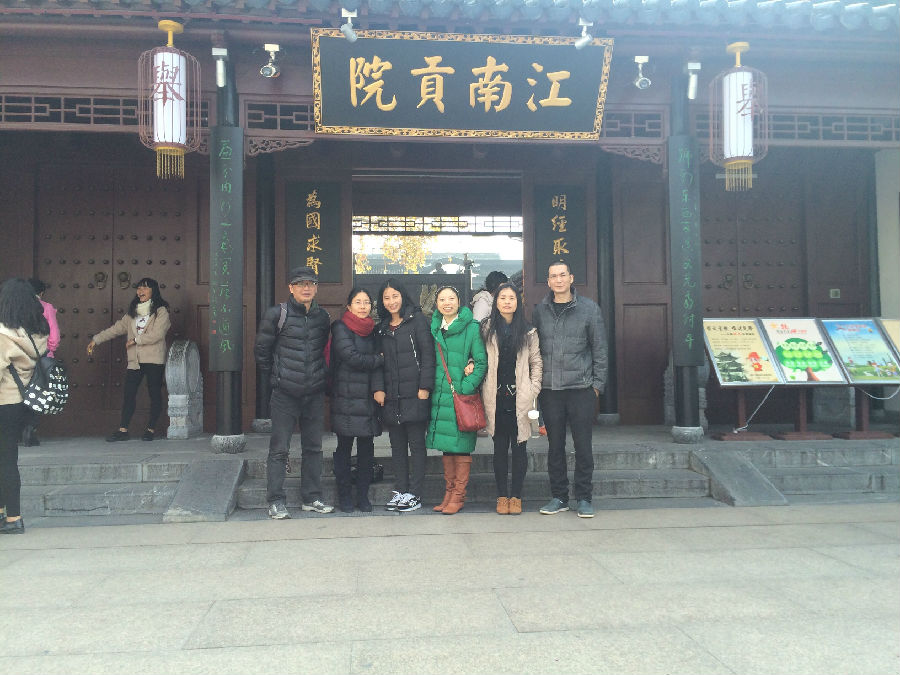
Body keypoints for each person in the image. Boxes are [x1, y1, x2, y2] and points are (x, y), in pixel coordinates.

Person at [254, 266, 334, 519]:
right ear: (291, 288)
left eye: (310, 283)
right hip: (285, 393)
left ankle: (312, 497)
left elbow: (323, 350)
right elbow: (262, 351)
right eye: (300, 284)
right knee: (279, 449)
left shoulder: (322, 317)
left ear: (316, 288)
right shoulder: (277, 314)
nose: (306, 288)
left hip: (314, 392)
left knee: (314, 448)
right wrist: (276, 378)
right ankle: (276, 501)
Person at [533, 260, 607, 519]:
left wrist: (596, 386)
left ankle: (584, 497)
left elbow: (600, 349)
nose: (558, 280)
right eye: (553, 276)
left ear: (571, 278)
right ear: (548, 281)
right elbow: (534, 350)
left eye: (562, 275)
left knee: (583, 446)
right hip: (550, 389)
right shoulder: (540, 310)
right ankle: (559, 497)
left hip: (581, 389)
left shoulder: (589, 309)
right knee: (555, 447)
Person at [372, 279, 434, 512]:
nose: (391, 302)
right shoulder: (382, 328)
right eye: (386, 298)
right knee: (397, 446)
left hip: (415, 393)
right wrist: (378, 388)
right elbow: (378, 362)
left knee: (416, 445)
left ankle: (415, 494)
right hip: (391, 396)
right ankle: (401, 490)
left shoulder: (417, 321)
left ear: (403, 296)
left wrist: (425, 387)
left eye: (395, 296)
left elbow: (428, 356)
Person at [480, 283, 542, 515]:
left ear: (518, 302)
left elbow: (536, 362)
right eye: (503, 298)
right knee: (499, 449)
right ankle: (501, 496)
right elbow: (478, 356)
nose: (507, 302)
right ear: (496, 302)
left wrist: (533, 388)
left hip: (520, 398)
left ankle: (516, 496)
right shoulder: (486, 329)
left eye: (512, 298)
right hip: (495, 398)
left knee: (519, 449)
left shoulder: (528, 331)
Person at [426, 285, 487, 515]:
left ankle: (459, 495)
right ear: (437, 304)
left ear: (459, 301)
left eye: (451, 298)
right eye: (442, 299)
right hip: (440, 397)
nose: (447, 303)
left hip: (460, 397)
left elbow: (480, 362)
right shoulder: (434, 328)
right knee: (447, 447)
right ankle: (449, 492)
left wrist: (465, 387)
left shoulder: (471, 328)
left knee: (460, 447)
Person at [87, 277, 170, 442]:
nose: (140, 291)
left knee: (154, 394)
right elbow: (116, 329)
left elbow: (158, 334)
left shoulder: (161, 311)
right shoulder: (133, 312)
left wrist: (136, 340)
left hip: (154, 359)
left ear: (153, 291)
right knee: (129, 394)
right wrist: (96, 340)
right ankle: (123, 430)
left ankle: (150, 429)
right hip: (135, 361)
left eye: (145, 288)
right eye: (139, 288)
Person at [0, 278, 50, 534]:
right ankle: (7, 514)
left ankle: (12, 518)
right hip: (20, 404)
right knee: (8, 459)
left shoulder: (4, 335)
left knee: (5, 462)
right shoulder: (38, 332)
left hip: (3, 401)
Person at [330, 287, 383, 513]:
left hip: (367, 398)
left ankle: (363, 496)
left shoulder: (373, 330)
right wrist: (378, 359)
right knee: (344, 448)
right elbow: (351, 357)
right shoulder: (340, 327)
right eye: (358, 302)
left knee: (366, 450)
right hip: (346, 397)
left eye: (367, 302)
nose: (363, 306)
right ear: (349, 306)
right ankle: (344, 497)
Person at [20, 278, 60, 447]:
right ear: (41, 292)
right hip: (41, 357)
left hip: (19, 357)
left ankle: (16, 430)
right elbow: (54, 335)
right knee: (37, 394)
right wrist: (48, 350)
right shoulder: (46, 307)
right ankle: (30, 429)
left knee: (18, 393)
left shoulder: (17, 307)